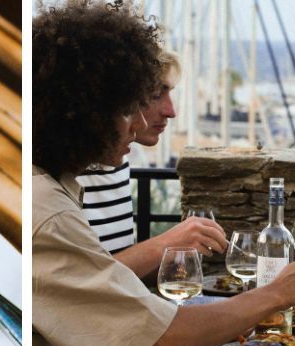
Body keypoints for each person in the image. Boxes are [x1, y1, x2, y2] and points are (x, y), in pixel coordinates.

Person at [32, 2, 295, 346]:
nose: (139, 122)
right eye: (129, 107)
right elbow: (168, 341)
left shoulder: (54, 184)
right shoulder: (49, 212)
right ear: (83, 112)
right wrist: (279, 292)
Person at [76, 51, 226, 278]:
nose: (171, 111)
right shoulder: (64, 175)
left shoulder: (116, 161)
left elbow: (115, 270)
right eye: (155, 94)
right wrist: (169, 242)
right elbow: (84, 283)